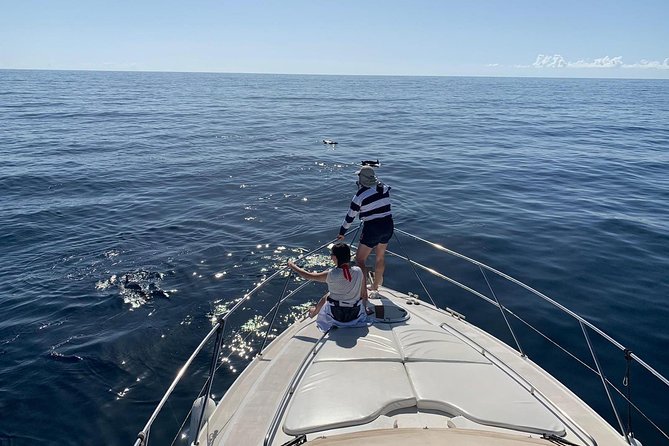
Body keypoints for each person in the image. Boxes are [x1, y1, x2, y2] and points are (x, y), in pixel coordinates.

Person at [337, 165, 394, 299]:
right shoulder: (384, 187)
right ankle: (375, 286)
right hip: (388, 225)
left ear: (361, 179)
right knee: (380, 257)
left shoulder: (359, 196)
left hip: (372, 228)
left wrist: (342, 232)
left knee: (360, 259)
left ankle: (363, 292)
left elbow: (350, 217)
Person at [287, 243, 370, 332]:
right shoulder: (358, 271)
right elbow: (363, 294)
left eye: (331, 255)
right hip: (354, 315)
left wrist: (292, 265)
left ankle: (314, 312)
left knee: (328, 296)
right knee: (330, 295)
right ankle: (315, 311)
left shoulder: (331, 274)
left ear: (335, 257)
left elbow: (308, 276)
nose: (331, 258)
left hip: (337, 316)